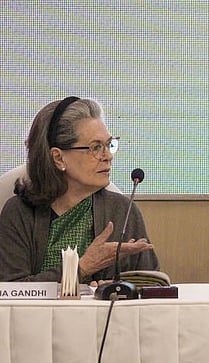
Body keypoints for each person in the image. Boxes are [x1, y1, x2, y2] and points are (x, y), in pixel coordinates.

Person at [0, 97, 158, 282]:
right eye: (96, 147)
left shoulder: (122, 211)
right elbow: (10, 292)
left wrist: (118, 289)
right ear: (58, 158)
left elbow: (153, 287)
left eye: (109, 145)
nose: (107, 156)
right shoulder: (19, 213)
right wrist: (80, 268)